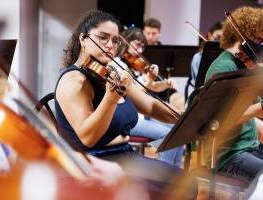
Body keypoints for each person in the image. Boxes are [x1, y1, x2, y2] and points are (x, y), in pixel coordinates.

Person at [55, 10, 197, 199]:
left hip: (125, 155)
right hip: (95, 162)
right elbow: (88, 137)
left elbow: (151, 107)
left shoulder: (109, 73)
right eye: (103, 38)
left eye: (115, 41)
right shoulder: (74, 81)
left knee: (186, 183)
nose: (110, 46)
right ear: (83, 38)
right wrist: (111, 98)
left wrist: (187, 117)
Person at [110, 27, 184, 168]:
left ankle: (176, 175)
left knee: (179, 130)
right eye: (137, 44)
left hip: (142, 116)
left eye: (142, 45)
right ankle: (164, 176)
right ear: (127, 42)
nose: (141, 49)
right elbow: (133, 94)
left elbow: (152, 87)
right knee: (169, 136)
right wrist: (149, 78)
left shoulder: (137, 65)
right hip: (130, 119)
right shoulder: (119, 64)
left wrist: (165, 84)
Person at [204, 6, 263, 181]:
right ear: (242, 36)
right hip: (228, 155)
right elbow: (221, 120)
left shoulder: (245, 64)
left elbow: (253, 113)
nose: (261, 47)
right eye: (258, 40)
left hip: (250, 147)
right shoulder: (224, 68)